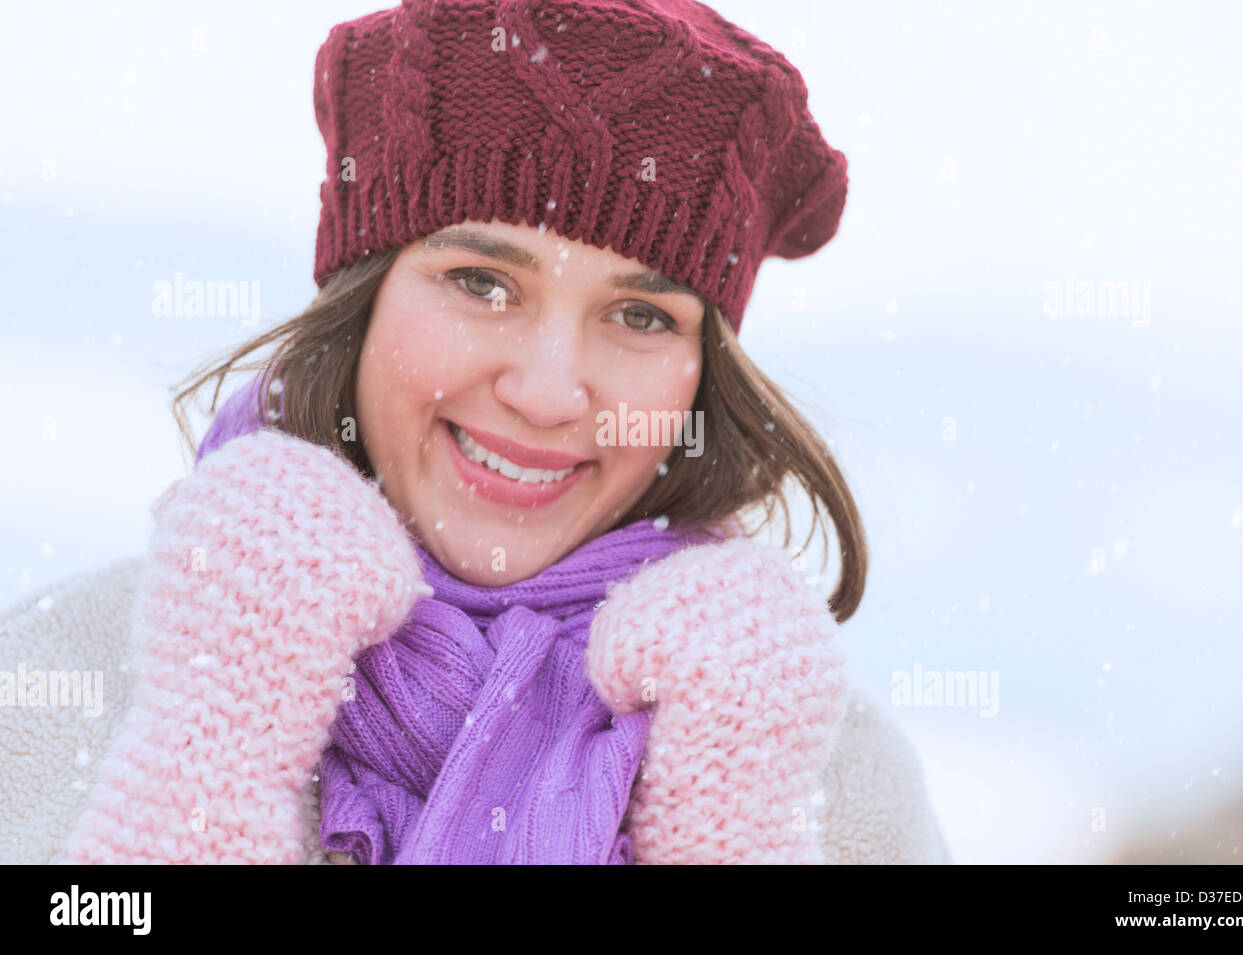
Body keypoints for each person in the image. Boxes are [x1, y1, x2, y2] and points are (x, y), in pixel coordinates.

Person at [13, 0, 949, 864]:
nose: (547, 393)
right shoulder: (63, 679)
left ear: (704, 377)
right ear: (363, 300)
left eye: (640, 317)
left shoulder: (830, 780)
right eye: (480, 283)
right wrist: (206, 765)